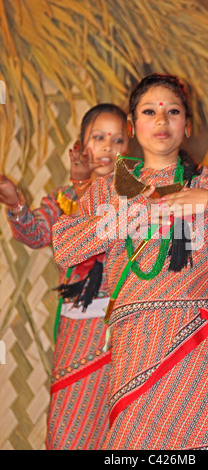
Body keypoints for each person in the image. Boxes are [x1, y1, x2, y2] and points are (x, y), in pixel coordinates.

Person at [52, 74, 208, 450]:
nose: (161, 121)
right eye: (149, 111)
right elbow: (64, 246)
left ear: (186, 125)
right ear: (133, 125)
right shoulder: (110, 189)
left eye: (172, 112)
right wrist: (123, 216)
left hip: (198, 347)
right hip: (137, 345)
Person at [0, 103, 129, 449]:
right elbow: (37, 234)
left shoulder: (136, 199)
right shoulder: (64, 199)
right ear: (79, 147)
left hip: (127, 332)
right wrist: (16, 205)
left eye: (118, 139)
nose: (107, 147)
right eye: (98, 137)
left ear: (130, 149)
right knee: (68, 434)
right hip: (78, 334)